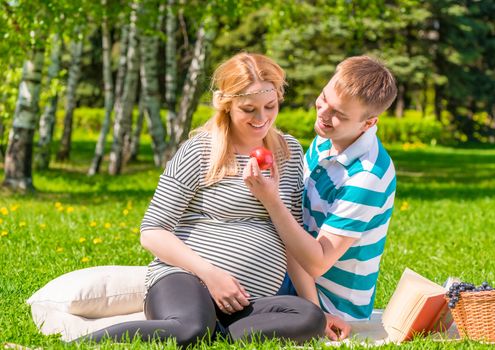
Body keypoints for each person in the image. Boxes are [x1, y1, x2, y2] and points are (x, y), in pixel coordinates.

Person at [76, 53, 325, 346]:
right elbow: (152, 232)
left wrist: (319, 310)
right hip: (185, 280)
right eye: (249, 109)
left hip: (246, 303)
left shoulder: (290, 152)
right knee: (190, 329)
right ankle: (80, 344)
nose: (262, 119)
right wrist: (210, 275)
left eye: (270, 107)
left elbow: (292, 242)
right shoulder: (199, 151)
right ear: (227, 105)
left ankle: (214, 336)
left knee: (309, 318)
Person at [243, 55, 398, 341]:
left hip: (329, 303)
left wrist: (271, 201)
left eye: (339, 113)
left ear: (368, 123)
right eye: (324, 98)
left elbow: (317, 262)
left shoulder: (367, 177)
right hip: (294, 273)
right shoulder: (326, 140)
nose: (323, 113)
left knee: (217, 282)